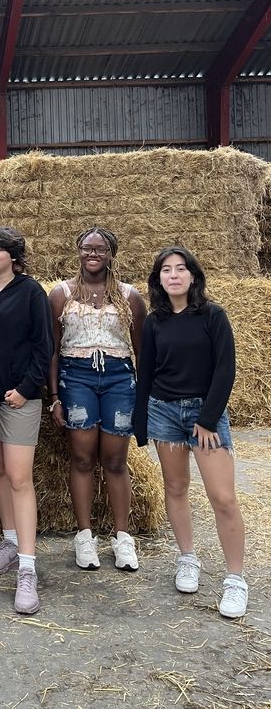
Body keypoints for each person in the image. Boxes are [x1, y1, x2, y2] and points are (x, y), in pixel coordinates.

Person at [134, 246, 247, 619]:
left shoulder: (213, 316)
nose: (174, 275)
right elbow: (146, 372)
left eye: (181, 269)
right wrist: (141, 422)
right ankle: (187, 558)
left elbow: (224, 370)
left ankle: (235, 579)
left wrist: (209, 419)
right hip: (163, 413)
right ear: (159, 280)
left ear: (193, 276)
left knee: (222, 497)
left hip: (204, 415)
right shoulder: (155, 321)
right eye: (166, 270)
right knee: (176, 488)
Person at [48, 227, 146, 572]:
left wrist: (143, 398)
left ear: (111, 254)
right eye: (87, 248)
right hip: (77, 378)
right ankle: (85, 536)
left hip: (119, 378)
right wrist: (55, 397)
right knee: (82, 457)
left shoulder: (129, 296)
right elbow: (53, 351)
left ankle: (122, 538)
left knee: (116, 459)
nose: (93, 254)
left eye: (100, 249)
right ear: (78, 251)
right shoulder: (61, 294)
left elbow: (141, 352)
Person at [0, 227, 52, 614]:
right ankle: (11, 542)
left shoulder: (32, 292)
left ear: (14, 255)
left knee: (20, 477)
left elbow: (43, 346)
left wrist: (27, 387)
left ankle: (28, 571)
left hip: (20, 399)